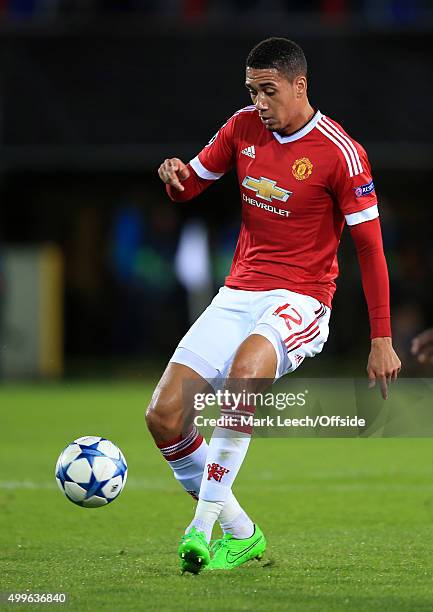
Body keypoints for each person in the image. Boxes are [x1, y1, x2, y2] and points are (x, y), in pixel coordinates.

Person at [146, 37, 401, 574]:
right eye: (252, 91)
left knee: (245, 374)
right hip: (238, 291)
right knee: (165, 416)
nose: (260, 103)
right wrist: (174, 177)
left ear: (298, 85)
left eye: (269, 91)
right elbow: (191, 184)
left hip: (303, 298)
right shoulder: (243, 128)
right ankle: (242, 532)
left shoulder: (342, 153)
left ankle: (201, 527)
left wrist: (382, 337)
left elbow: (370, 250)